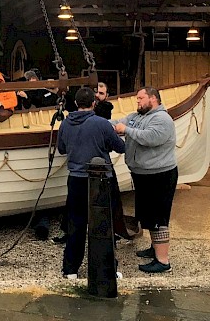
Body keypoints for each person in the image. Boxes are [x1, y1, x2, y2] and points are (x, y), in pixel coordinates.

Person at [57, 86, 126, 279]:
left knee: (75, 225)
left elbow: (61, 149)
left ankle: (70, 270)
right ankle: (107, 268)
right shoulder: (101, 124)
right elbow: (120, 147)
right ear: (94, 104)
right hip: (100, 180)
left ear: (76, 104)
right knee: (104, 225)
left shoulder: (65, 124)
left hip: (76, 179)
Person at [113, 87, 177, 274]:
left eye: (140, 98)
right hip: (143, 175)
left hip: (159, 176)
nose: (137, 101)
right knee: (148, 215)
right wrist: (99, 124)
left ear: (153, 99)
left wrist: (126, 130)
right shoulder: (137, 116)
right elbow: (118, 122)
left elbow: (151, 138)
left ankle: (163, 261)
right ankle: (154, 248)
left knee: (158, 217)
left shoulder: (162, 119)